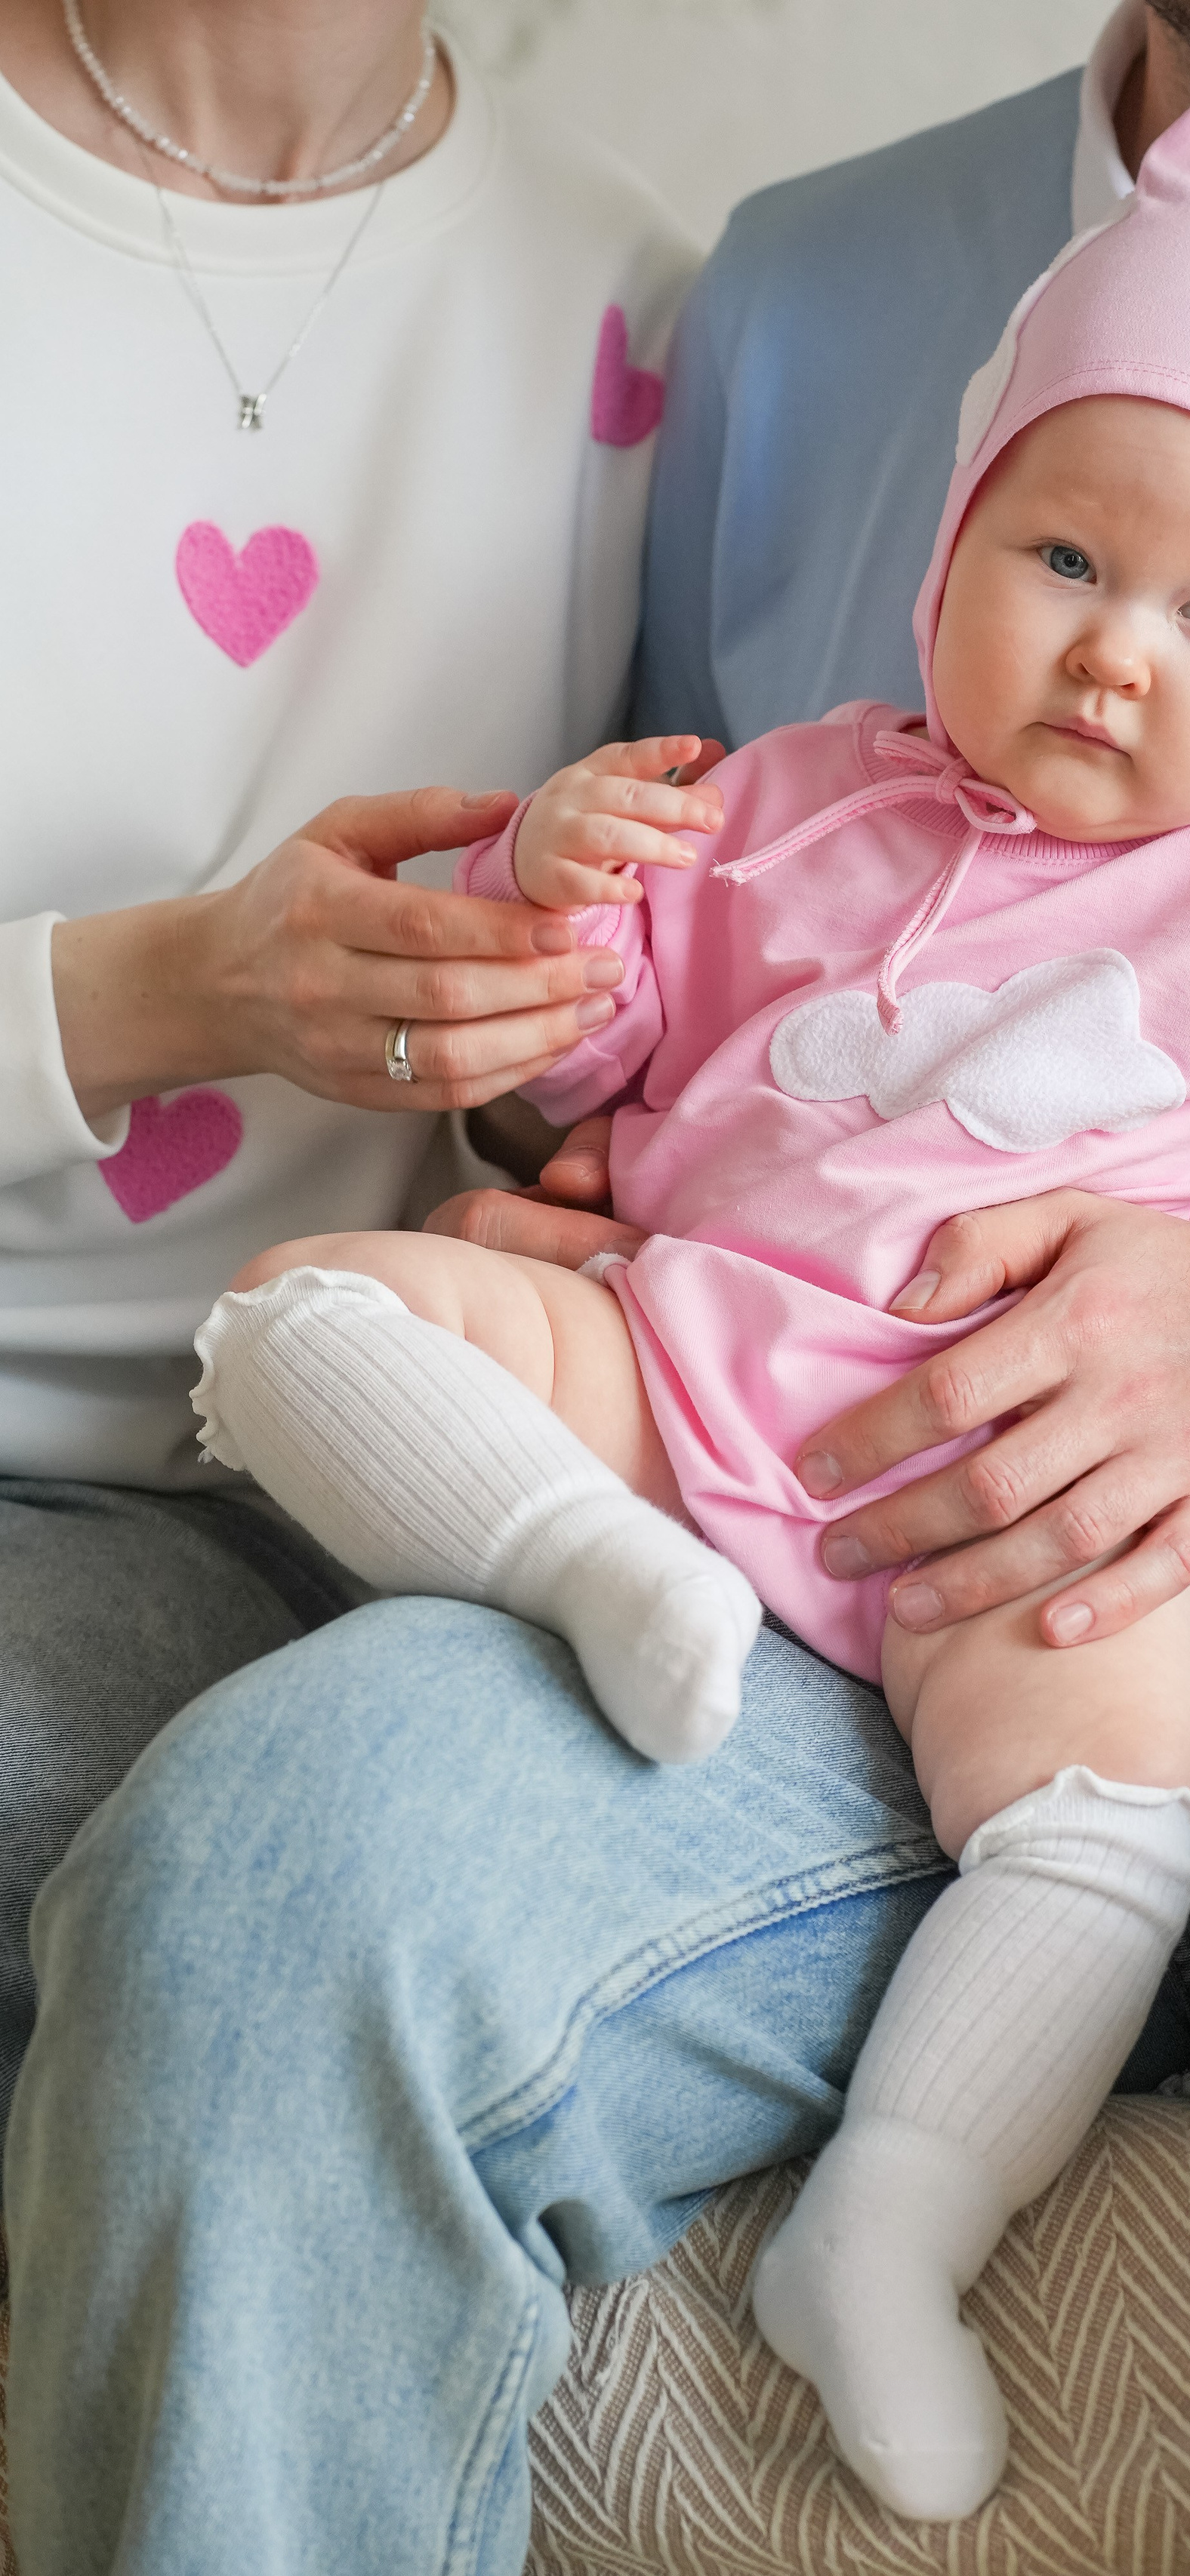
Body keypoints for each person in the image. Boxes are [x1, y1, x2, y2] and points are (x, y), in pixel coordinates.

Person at [12, 0, 1190, 2568]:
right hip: (825, 1546)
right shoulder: (793, 298)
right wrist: (544, 1159)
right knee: (249, 1917)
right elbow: (695, 987)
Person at [0, 0, 698, 2141]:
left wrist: (536, 1091)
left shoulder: (640, 308)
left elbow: (628, 1004)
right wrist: (167, 993)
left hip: (348, 1488)